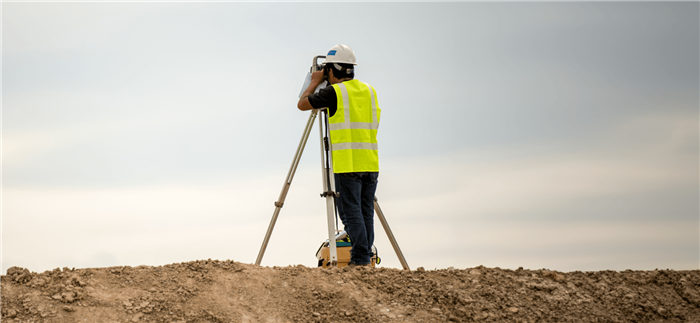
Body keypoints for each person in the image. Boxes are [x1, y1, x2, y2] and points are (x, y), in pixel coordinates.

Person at [297, 44, 381, 267]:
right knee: (365, 213)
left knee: (351, 213)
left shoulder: (335, 92)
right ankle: (365, 257)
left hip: (347, 163)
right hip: (370, 161)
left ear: (332, 71)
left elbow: (302, 104)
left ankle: (361, 259)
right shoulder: (369, 91)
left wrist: (315, 82)